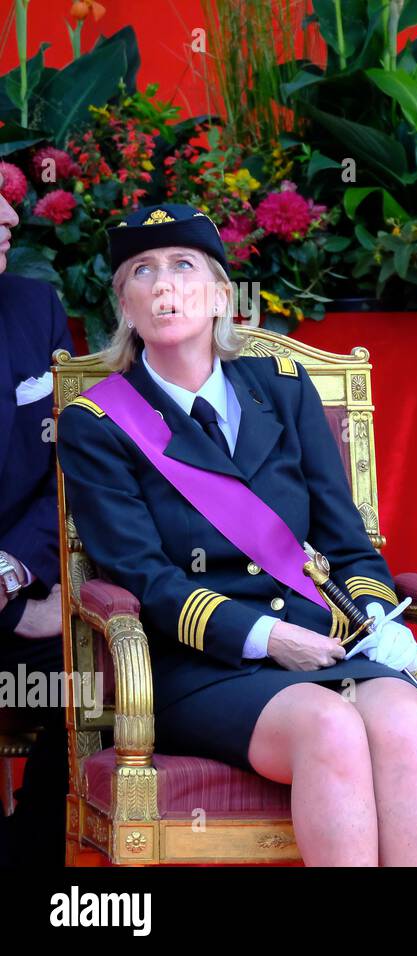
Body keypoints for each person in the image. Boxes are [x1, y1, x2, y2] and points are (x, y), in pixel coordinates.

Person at [57, 203, 417, 866]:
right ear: (124, 305)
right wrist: (270, 637)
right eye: (142, 272)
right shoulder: (98, 423)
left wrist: (381, 619)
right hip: (199, 666)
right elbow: (145, 581)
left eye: (184, 266)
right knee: (330, 727)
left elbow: (345, 540)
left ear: (219, 296)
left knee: (406, 716)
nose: (164, 285)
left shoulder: (284, 391)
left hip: (325, 644)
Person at [0, 180, 74, 866]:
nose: (10, 214)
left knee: (110, 669)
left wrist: (14, 572)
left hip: (21, 590)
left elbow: (69, 463)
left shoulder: (33, 304)